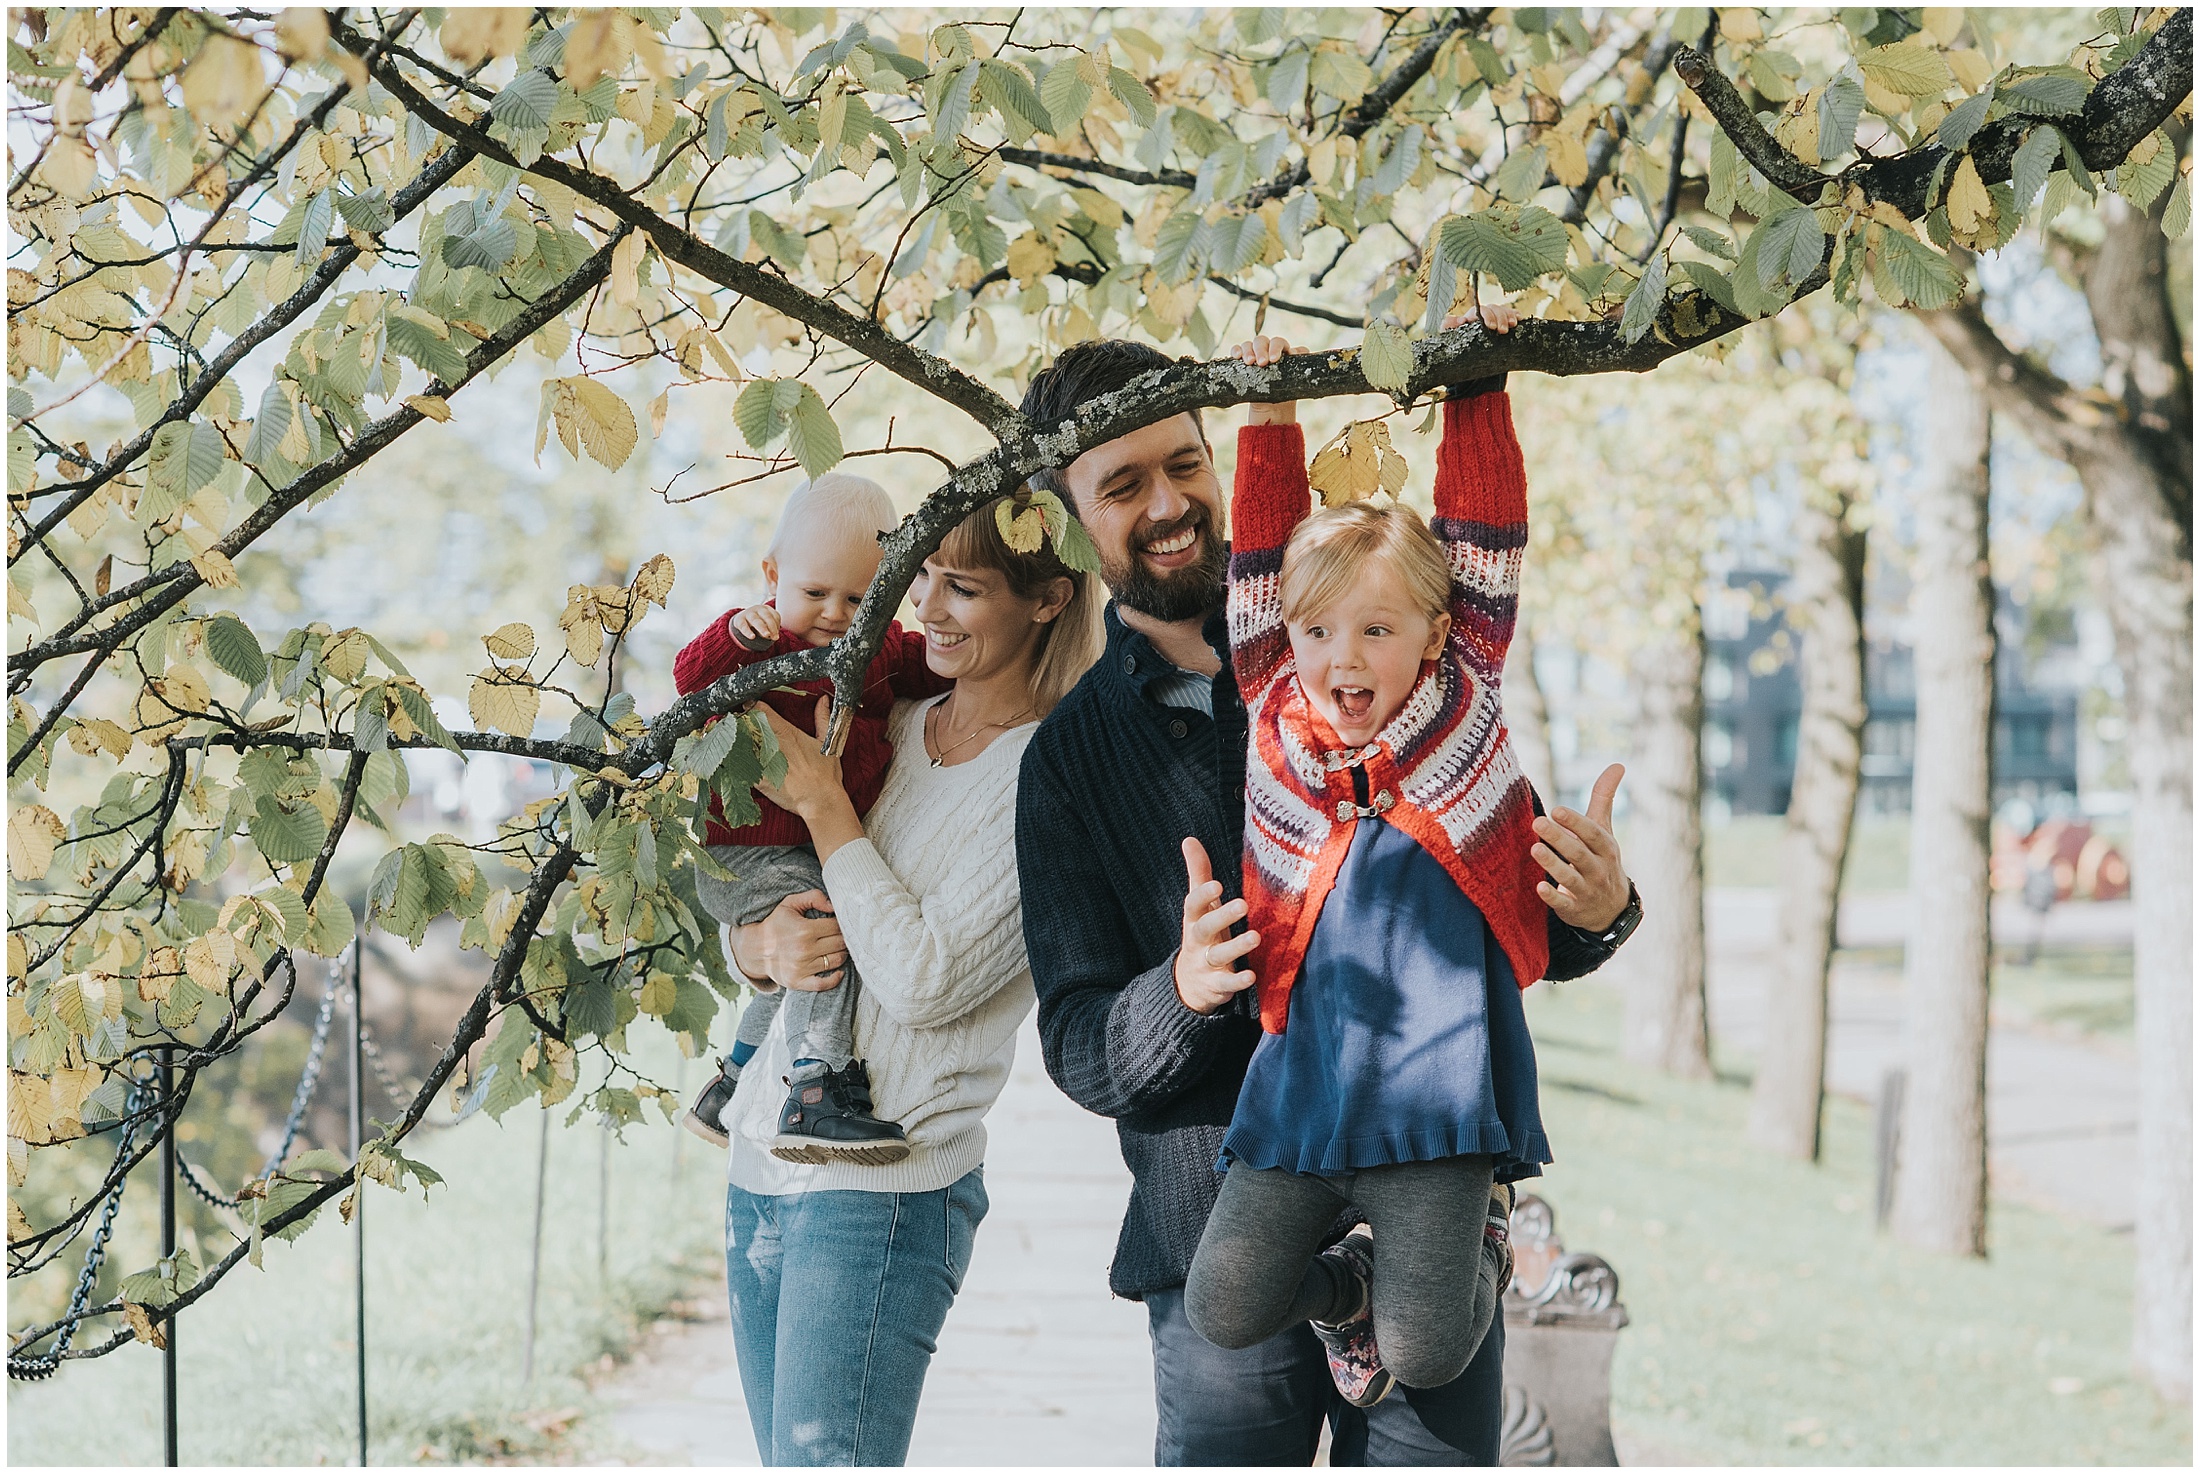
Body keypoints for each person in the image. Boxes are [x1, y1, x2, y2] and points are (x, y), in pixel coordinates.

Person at [1014, 322, 1642, 1466]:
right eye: (1121, 484)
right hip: (1224, 1199)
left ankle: (1471, 1254)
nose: (1165, 502)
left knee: (1434, 1371)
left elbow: (1491, 889)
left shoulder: (1392, 658)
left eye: (1183, 463)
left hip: (1431, 1173)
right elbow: (1077, 1045)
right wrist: (1186, 988)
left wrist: (1601, 911)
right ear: (1071, 513)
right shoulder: (1072, 756)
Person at [1179, 328, 1631, 1409]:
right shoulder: (1267, 701)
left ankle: (1475, 1219)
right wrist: (1270, 411)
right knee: (1225, 1301)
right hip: (1304, 1080)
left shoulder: (1461, 684)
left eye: (1376, 629)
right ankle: (1349, 1293)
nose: (1342, 657)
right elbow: (1257, 555)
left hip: (1440, 1083)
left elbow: (1486, 531)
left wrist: (1478, 380)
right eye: (1318, 629)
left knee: (1428, 1349)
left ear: (1432, 634)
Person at [711, 491, 1102, 1466]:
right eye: (921, 580)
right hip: (761, 1162)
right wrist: (754, 950)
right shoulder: (891, 714)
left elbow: (924, 978)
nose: (925, 607)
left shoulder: (1050, 777)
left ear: (1047, 599)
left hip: (880, 1194)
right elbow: (783, 888)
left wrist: (827, 805)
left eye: (961, 588)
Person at [672, 472, 951, 1163]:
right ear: (774, 575)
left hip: (796, 854)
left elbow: (943, 667)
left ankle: (731, 1082)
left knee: (812, 936)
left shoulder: (881, 651)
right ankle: (817, 1086)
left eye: (860, 597)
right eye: (814, 592)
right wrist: (738, 634)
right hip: (741, 853)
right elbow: (690, 675)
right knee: (832, 920)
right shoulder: (764, 643)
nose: (833, 613)